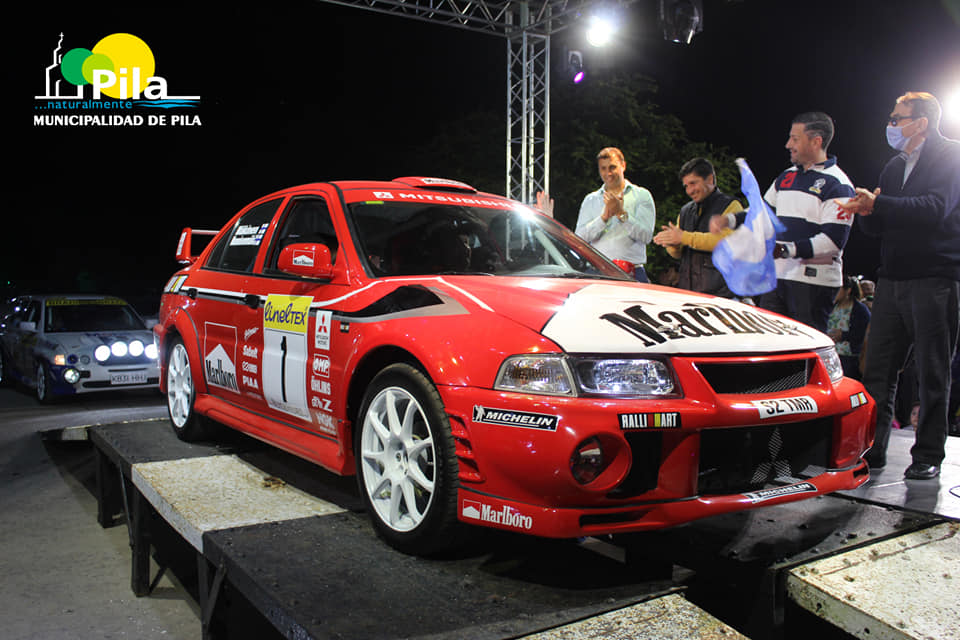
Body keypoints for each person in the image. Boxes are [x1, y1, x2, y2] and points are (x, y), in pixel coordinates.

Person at [839, 91, 960, 480]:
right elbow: (880, 223)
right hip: (891, 280)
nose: (890, 125)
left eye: (897, 118)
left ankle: (927, 455)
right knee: (877, 371)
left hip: (934, 278)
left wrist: (880, 204)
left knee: (932, 373)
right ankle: (871, 451)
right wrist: (863, 211)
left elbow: (935, 208)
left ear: (920, 122)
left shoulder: (951, 157)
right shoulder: (894, 166)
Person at [712, 112, 856, 332]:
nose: (788, 144)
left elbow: (833, 241)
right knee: (771, 346)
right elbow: (762, 212)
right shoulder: (786, 177)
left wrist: (786, 250)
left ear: (816, 141)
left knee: (803, 351)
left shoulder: (839, 185)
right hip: (777, 278)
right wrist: (729, 220)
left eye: (795, 139)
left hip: (813, 284)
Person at [654, 157, 742, 297]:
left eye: (693, 183)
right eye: (686, 186)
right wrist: (672, 245)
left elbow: (724, 242)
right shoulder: (685, 211)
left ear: (710, 180)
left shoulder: (731, 205)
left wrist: (683, 237)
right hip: (688, 293)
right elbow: (677, 254)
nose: (689, 191)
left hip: (721, 296)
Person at [575, 147, 656, 282]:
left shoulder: (642, 196)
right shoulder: (591, 200)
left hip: (632, 272)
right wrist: (603, 219)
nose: (608, 173)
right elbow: (579, 239)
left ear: (623, 166)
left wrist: (621, 214)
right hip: (597, 272)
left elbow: (646, 236)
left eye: (612, 167)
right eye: (603, 168)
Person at [827, 276, 871, 380]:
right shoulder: (831, 306)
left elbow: (864, 334)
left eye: (838, 289)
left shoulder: (860, 310)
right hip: (831, 355)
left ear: (848, 290)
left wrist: (843, 335)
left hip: (849, 359)